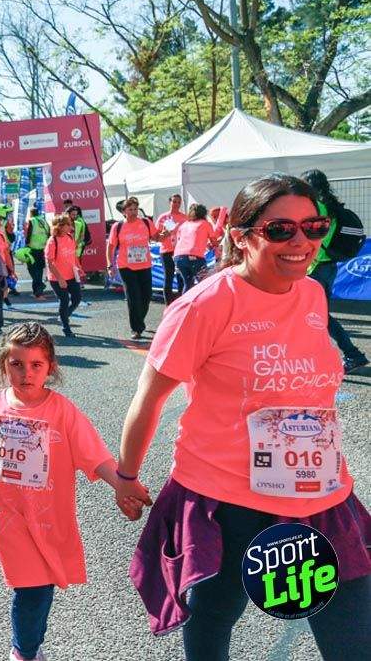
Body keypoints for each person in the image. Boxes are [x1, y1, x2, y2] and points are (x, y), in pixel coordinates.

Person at [116, 174, 371, 659]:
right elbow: (149, 399)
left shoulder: (313, 295)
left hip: (319, 495)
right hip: (227, 499)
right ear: (241, 236)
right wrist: (126, 475)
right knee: (215, 615)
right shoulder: (204, 305)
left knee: (352, 639)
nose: (301, 242)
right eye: (280, 230)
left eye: (313, 227)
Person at [0, 322, 136, 661]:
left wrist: (121, 486)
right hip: (9, 520)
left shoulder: (63, 411)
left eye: (36, 365)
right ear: (3, 365)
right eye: (17, 364)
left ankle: (30, 646)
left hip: (50, 518)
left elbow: (94, 455)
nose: (26, 373)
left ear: (50, 367)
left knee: (42, 589)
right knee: (31, 590)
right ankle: (23, 652)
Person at [303, 169, 369, 373]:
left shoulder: (317, 207)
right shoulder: (331, 206)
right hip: (329, 267)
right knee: (314, 314)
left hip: (315, 268)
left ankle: (352, 354)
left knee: (317, 315)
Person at [106, 197, 155, 340]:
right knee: (133, 297)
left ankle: (139, 320)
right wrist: (110, 265)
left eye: (135, 209)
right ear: (124, 212)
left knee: (146, 296)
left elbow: (156, 237)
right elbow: (110, 247)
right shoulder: (118, 226)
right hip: (126, 266)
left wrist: (164, 235)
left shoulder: (146, 222)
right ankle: (136, 328)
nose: (133, 212)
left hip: (144, 265)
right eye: (130, 210)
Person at [45, 215, 82, 338]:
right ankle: (66, 327)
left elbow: (73, 255)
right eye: (68, 224)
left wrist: (79, 267)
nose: (71, 226)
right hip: (57, 278)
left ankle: (64, 315)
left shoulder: (70, 237)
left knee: (77, 298)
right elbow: (49, 263)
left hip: (71, 275)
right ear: (60, 226)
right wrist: (60, 279)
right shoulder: (52, 241)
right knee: (64, 300)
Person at [172, 204, 217, 292]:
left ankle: (185, 304)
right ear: (204, 214)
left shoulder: (184, 225)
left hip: (179, 256)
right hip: (195, 256)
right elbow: (214, 241)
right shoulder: (205, 224)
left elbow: (179, 240)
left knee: (188, 283)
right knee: (204, 283)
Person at [154, 194, 187, 303]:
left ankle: (182, 303)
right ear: (170, 203)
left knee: (181, 277)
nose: (176, 204)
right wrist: (164, 234)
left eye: (178, 202)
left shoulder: (184, 217)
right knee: (168, 277)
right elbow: (156, 237)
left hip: (180, 251)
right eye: (174, 201)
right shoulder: (163, 217)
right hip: (167, 251)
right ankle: (168, 304)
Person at [23, 207, 50, 299]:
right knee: (39, 270)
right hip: (42, 248)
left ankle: (39, 287)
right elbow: (49, 233)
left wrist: (26, 244)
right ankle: (37, 291)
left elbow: (29, 234)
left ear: (31, 213)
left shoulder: (31, 221)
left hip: (32, 248)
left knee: (32, 269)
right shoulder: (44, 221)